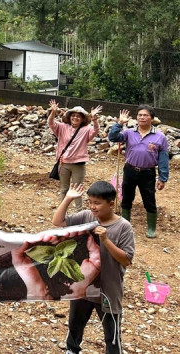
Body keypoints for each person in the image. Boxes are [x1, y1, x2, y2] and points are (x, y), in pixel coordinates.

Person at [52, 182, 134, 354]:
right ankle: (72, 350)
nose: (92, 207)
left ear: (111, 204)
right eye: (89, 202)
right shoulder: (86, 217)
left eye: (97, 203)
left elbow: (126, 260)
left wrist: (106, 240)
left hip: (108, 289)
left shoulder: (123, 227)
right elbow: (57, 221)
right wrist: (68, 198)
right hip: (84, 285)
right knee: (75, 325)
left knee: (111, 333)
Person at [108, 106, 169, 238]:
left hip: (148, 173)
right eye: (139, 115)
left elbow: (163, 159)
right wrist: (119, 123)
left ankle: (151, 228)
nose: (141, 117)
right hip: (130, 170)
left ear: (152, 118)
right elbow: (113, 137)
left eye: (145, 115)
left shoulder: (160, 137)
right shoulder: (129, 133)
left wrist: (163, 178)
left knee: (149, 200)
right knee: (127, 198)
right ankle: (125, 225)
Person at [47, 100, 102, 209]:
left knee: (77, 189)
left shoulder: (86, 130)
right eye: (73, 115)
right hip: (64, 163)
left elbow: (96, 130)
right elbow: (51, 123)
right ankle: (62, 212)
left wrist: (94, 119)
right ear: (69, 117)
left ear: (82, 119)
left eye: (78, 116)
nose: (75, 118)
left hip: (78, 164)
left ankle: (79, 212)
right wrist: (53, 112)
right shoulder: (62, 127)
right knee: (64, 189)